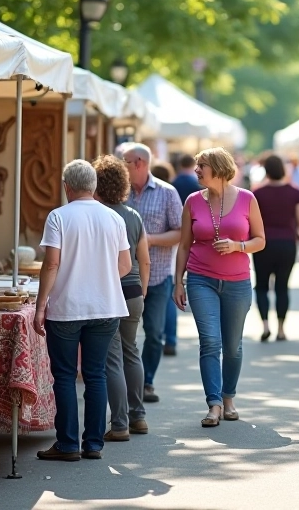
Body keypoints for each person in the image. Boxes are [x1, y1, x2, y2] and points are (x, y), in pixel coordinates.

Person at [34, 159, 131, 461]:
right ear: (93, 186)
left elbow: (51, 264)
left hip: (67, 308)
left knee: (63, 376)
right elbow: (125, 265)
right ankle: (93, 444)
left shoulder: (58, 217)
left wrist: (39, 307)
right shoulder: (114, 218)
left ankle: (67, 444)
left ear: (67, 187)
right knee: (96, 374)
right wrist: (98, 276)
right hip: (106, 307)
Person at [174, 147, 266, 427]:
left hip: (238, 282)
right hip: (201, 279)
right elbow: (184, 245)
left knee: (233, 346)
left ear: (218, 168)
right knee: (210, 342)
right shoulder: (192, 200)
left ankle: (229, 398)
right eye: (197, 165)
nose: (196, 170)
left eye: (202, 165)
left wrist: (238, 246)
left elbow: (260, 240)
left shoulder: (247, 199)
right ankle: (213, 403)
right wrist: (178, 281)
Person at [115, 142, 183, 403]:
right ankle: (127, 383)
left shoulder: (167, 193)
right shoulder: (120, 194)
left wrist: (149, 240)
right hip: (124, 278)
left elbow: (179, 232)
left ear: (140, 163)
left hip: (157, 277)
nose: (122, 166)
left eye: (125, 162)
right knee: (122, 338)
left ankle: (147, 382)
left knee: (154, 333)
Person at [93, 155, 151, 440]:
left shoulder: (99, 216)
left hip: (109, 293)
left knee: (112, 359)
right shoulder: (134, 215)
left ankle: (119, 424)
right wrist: (144, 289)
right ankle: (138, 416)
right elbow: (145, 260)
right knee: (132, 351)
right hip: (134, 292)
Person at [253, 154, 299, 342]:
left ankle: (265, 325)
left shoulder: (258, 193)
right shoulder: (294, 192)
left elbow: (251, 221)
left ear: (266, 170)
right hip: (287, 244)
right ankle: (281, 329)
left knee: (261, 286)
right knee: (282, 287)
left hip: (263, 244)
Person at [149, 157, 181, 357]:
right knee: (167, 304)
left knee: (164, 303)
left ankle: (168, 340)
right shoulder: (171, 192)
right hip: (166, 263)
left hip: (161, 265)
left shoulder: (168, 193)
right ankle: (170, 339)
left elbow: (179, 229)